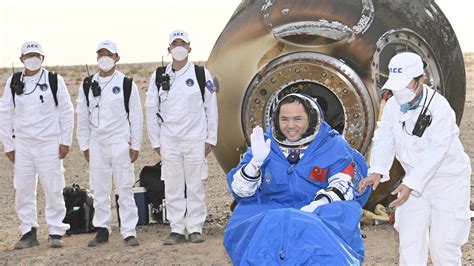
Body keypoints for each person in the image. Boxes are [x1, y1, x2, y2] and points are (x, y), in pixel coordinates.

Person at [225, 93, 371, 264]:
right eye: (284, 119)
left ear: (311, 118)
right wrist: (255, 164)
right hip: (269, 213)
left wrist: (315, 207)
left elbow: (343, 185)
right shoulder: (264, 145)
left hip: (318, 212)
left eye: (298, 119)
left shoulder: (332, 145)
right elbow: (240, 192)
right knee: (267, 227)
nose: (291, 125)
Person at [358, 52, 472, 265]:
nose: (399, 93)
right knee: (410, 242)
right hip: (413, 180)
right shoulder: (393, 105)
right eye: (396, 86)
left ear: (421, 80)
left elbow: (436, 152)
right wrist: (378, 170)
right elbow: (385, 136)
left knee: (443, 247)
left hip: (447, 183)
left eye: (405, 85)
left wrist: (410, 184)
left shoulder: (440, 109)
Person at [146, 30, 218, 245]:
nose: (178, 47)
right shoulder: (158, 76)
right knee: (173, 186)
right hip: (169, 140)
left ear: (189, 48)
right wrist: (155, 141)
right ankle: (177, 228)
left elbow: (211, 107)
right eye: (174, 43)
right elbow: (151, 108)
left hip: (195, 138)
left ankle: (195, 227)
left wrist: (211, 138)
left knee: (195, 184)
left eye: (182, 43)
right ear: (169, 49)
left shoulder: (200, 74)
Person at [0, 41, 74, 249]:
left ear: (42, 58)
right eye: (28, 55)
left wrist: (65, 141)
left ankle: (56, 231)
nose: (33, 59)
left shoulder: (53, 80)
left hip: (49, 143)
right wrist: (8, 145)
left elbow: (66, 111)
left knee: (53, 188)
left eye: (36, 55)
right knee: (23, 189)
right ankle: (28, 231)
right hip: (22, 145)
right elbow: (4, 113)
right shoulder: (13, 82)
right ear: (21, 58)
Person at [76, 40, 142, 247]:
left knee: (125, 188)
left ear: (117, 58)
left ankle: (129, 231)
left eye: (109, 54)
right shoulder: (87, 84)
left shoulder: (126, 83)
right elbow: (83, 117)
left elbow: (136, 117)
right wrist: (84, 146)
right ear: (97, 57)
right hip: (97, 143)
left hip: (120, 141)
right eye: (101, 53)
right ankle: (102, 229)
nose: (105, 57)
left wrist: (135, 146)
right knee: (100, 188)